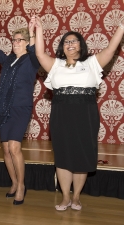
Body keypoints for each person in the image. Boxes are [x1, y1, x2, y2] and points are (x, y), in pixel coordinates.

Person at [33, 16, 124, 211]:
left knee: (82, 155)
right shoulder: (55, 65)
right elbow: (39, 53)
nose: (70, 44)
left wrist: (122, 26)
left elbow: (110, 49)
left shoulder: (92, 62)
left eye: (74, 41)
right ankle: (65, 197)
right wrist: (39, 28)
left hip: (85, 114)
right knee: (64, 156)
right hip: (61, 114)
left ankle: (76, 197)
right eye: (66, 42)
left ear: (81, 45)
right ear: (62, 47)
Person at [0, 9, 40, 205]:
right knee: (6, 149)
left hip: (21, 109)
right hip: (4, 108)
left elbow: (35, 50)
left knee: (15, 147)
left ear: (26, 42)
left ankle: (22, 186)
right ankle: (15, 182)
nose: (15, 43)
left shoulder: (32, 60)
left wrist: (32, 31)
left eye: (19, 40)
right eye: (14, 40)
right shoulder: (8, 60)